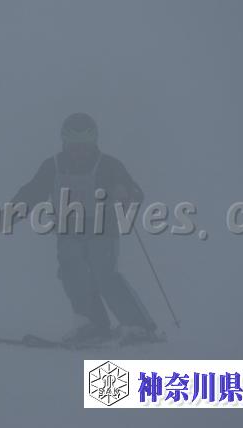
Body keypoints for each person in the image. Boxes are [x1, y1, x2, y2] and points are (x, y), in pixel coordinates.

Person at [10, 113, 158, 344]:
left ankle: (138, 326)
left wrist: (125, 193)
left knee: (104, 275)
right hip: (68, 231)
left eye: (85, 145)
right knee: (73, 274)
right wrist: (9, 215)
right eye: (73, 145)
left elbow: (135, 192)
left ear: (94, 142)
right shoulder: (53, 166)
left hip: (102, 230)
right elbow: (33, 192)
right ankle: (92, 324)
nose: (79, 151)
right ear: (64, 142)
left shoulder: (108, 165)